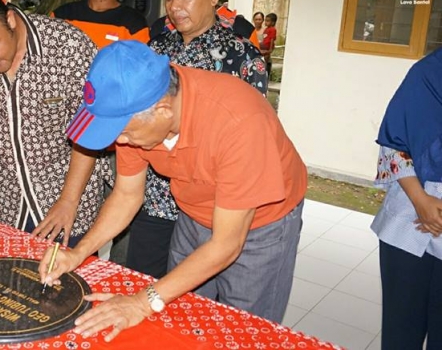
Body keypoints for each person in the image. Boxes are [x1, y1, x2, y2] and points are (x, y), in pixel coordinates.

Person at [41, 41, 306, 340]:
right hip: (194, 213)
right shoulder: (137, 113)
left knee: (243, 330)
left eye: (124, 133)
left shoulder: (239, 123)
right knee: (181, 316)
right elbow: (127, 195)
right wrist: (78, 254)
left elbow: (226, 245)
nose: (120, 143)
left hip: (262, 224)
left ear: (163, 111)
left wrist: (141, 302)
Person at [126, 0, 268, 278]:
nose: (175, 7)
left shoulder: (241, 56)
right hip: (156, 201)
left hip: (213, 209)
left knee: (199, 304)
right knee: (140, 284)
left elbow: (249, 141)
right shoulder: (155, 52)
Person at [0, 0, 110, 247]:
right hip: (11, 202)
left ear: (9, 19)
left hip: (70, 201)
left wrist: (68, 201)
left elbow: (90, 126)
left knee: (70, 283)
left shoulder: (67, 45)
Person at [372, 48, 442, 350]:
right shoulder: (428, 74)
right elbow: (393, 143)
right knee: (402, 333)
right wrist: (422, 201)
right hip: (409, 223)